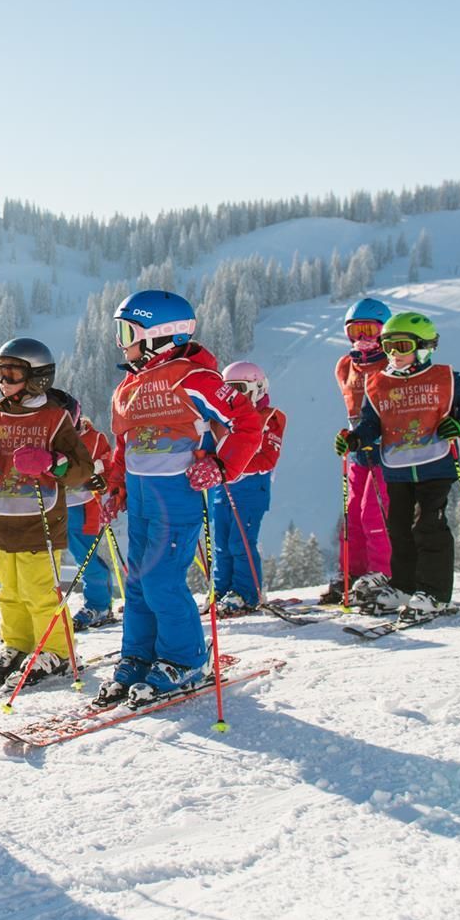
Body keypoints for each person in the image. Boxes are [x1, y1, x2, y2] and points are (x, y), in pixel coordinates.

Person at [98, 291, 264, 706]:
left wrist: (222, 466)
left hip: (177, 498)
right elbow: (124, 444)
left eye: (127, 332)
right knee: (137, 581)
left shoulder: (194, 378)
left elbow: (246, 422)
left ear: (160, 336)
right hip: (139, 499)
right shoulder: (128, 388)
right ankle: (139, 654)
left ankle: (186, 659)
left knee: (161, 581)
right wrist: (115, 489)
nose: (121, 342)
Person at [0, 339, 95, 689]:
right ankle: (17, 644)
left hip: (40, 523)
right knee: (8, 591)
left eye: (12, 373)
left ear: (37, 378)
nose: (3, 381)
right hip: (1, 522)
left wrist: (51, 463)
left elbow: (82, 469)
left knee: (39, 591)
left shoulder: (54, 418)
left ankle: (57, 652)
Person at [336, 310, 460, 614]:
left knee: (429, 527)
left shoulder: (444, 378)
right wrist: (354, 439)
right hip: (398, 469)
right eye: (389, 346)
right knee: (399, 529)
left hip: (435, 465)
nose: (394, 353)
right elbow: (370, 423)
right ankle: (403, 587)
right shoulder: (379, 384)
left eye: (402, 346)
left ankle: (434, 592)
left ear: (423, 346)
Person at [325, 297, 396, 606]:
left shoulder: (391, 365)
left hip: (385, 449)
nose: (363, 339)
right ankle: (352, 575)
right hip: (357, 451)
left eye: (370, 330)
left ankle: (382, 573)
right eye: (355, 332)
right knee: (352, 515)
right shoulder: (345, 366)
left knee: (374, 512)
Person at [207, 361, 285, 614]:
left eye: (239, 389)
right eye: (228, 391)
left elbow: (267, 458)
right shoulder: (219, 420)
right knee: (221, 542)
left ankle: (246, 592)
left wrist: (228, 464)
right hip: (221, 488)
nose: (234, 397)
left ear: (258, 388)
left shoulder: (270, 418)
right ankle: (221, 589)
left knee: (240, 542)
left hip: (251, 488)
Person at [49, 388, 120, 632]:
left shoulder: (94, 438)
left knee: (86, 558)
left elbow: (111, 465)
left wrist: (103, 482)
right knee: (46, 560)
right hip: (53, 506)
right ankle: (45, 608)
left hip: (83, 506)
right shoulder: (50, 439)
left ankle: (99, 605)